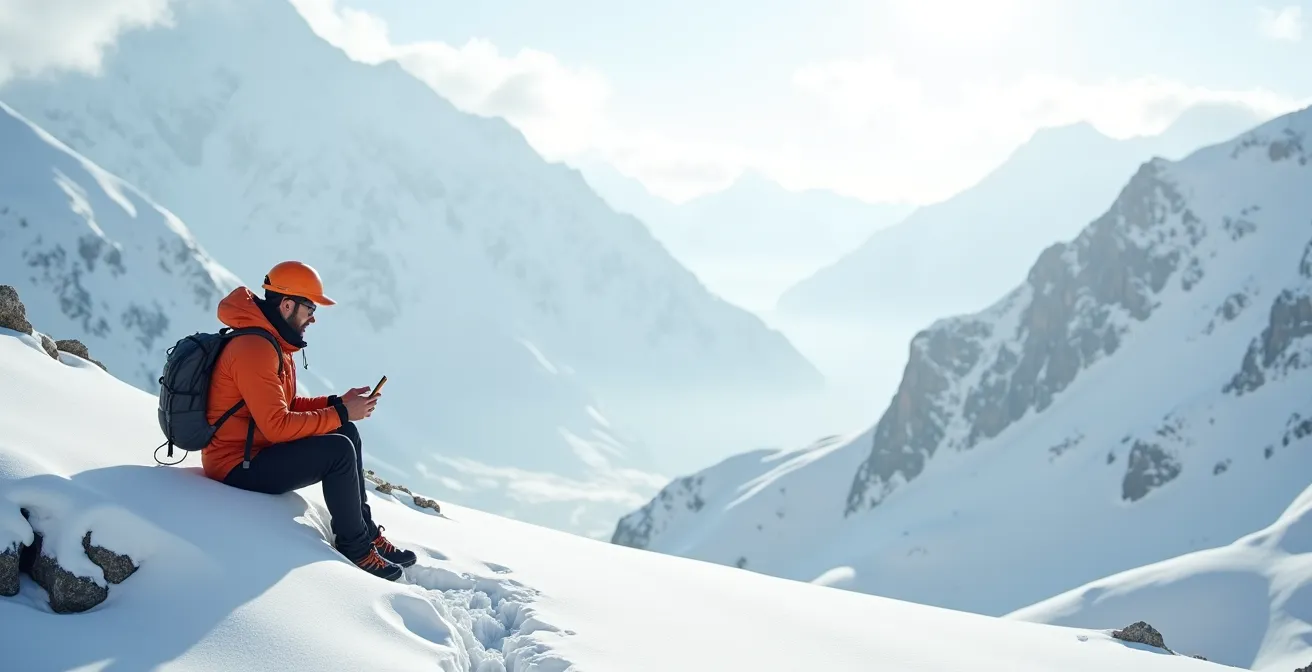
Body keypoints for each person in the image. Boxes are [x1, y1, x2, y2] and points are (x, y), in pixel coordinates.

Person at [201, 260, 416, 581]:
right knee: (338, 451)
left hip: (254, 450)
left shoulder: (272, 342)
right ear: (287, 305)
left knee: (345, 430)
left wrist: (337, 405)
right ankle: (356, 548)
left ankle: (366, 532)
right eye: (310, 308)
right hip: (234, 465)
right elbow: (277, 425)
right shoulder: (255, 348)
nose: (313, 318)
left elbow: (285, 406)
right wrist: (342, 411)